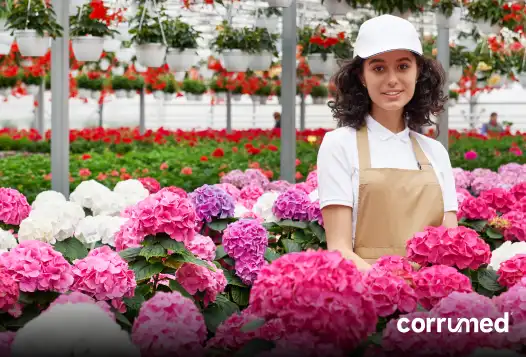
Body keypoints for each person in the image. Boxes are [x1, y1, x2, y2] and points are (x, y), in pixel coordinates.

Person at [317, 15, 459, 272]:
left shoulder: (435, 153)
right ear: (361, 76)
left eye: (403, 66)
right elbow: (338, 248)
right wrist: (391, 288)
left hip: (428, 302)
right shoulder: (339, 145)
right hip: (366, 297)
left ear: (418, 73)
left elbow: (450, 244)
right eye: (379, 68)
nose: (392, 79)